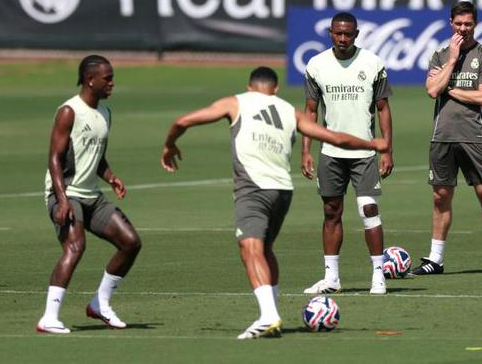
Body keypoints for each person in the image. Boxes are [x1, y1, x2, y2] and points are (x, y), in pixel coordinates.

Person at [161, 66, 388, 340]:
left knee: (250, 249)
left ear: (249, 86)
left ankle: (268, 316)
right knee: (265, 249)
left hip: (253, 188)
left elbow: (182, 121)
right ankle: (272, 313)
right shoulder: (289, 111)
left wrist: (170, 144)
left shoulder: (236, 102)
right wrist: (373, 144)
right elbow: (336, 138)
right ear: (276, 89)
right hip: (282, 191)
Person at [37, 55, 142, 334]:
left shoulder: (105, 113)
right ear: (89, 80)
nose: (112, 83)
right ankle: (49, 317)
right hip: (66, 192)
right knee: (75, 247)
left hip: (92, 196)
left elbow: (97, 156)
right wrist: (61, 199)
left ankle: (100, 304)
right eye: (107, 78)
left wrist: (111, 177)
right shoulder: (69, 111)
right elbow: (54, 158)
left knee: (131, 242)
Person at [410, 1, 482, 277]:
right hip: (442, 135)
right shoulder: (440, 54)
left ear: (475, 24)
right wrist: (452, 61)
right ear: (450, 23)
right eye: (458, 23)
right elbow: (432, 91)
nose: (463, 29)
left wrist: (448, 87)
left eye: (468, 24)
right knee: (440, 196)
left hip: (474, 135)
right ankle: (435, 259)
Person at [300, 12, 394, 295]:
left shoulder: (372, 63)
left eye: (348, 34)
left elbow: (383, 109)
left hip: (364, 152)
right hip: (330, 152)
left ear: (357, 34)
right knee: (331, 212)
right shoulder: (316, 65)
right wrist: (306, 150)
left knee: (368, 209)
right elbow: (310, 112)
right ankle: (331, 278)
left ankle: (378, 275)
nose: (343, 38)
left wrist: (387, 150)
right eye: (338, 33)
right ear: (330, 33)